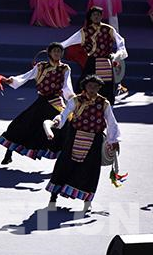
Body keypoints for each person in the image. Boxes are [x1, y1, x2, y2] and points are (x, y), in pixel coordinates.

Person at [45, 75, 121, 212]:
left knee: (90, 171)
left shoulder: (104, 103)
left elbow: (111, 122)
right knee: (63, 166)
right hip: (74, 137)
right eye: (90, 86)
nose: (92, 89)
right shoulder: (76, 100)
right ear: (85, 87)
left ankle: (87, 202)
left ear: (99, 88)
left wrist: (113, 140)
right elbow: (65, 113)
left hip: (95, 140)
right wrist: (57, 121)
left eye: (95, 86)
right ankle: (53, 198)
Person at [0, 42, 74, 165]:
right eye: (55, 51)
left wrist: (72, 99)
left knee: (65, 126)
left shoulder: (65, 68)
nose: (57, 53)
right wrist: (11, 80)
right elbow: (26, 76)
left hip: (55, 101)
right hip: (41, 102)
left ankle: (63, 160)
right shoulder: (41, 66)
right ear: (49, 53)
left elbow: (67, 86)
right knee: (20, 125)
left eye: (59, 51)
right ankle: (8, 154)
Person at [60, 6, 127, 105]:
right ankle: (80, 104)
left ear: (101, 16)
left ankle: (106, 105)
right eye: (94, 15)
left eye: (98, 15)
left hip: (105, 61)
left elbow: (120, 41)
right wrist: (59, 46)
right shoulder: (85, 31)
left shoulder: (108, 29)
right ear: (90, 17)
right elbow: (70, 41)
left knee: (107, 85)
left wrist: (118, 53)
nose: (96, 17)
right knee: (84, 82)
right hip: (92, 61)